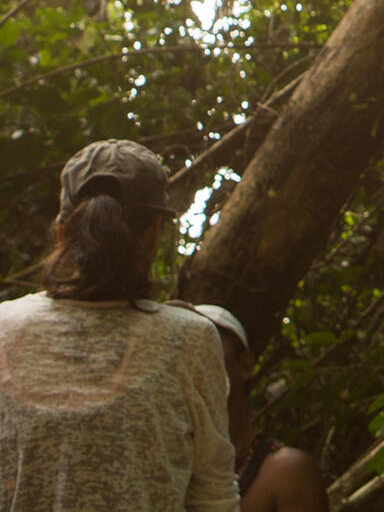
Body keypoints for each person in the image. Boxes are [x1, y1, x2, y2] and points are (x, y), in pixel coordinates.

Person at [0, 139, 239, 511]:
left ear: (61, 232)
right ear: (154, 234)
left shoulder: (4, 329)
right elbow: (214, 498)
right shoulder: (189, 340)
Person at [194, 305, 329, 512]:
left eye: (207, 355)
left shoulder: (285, 473)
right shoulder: (170, 467)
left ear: (246, 365)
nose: (194, 369)